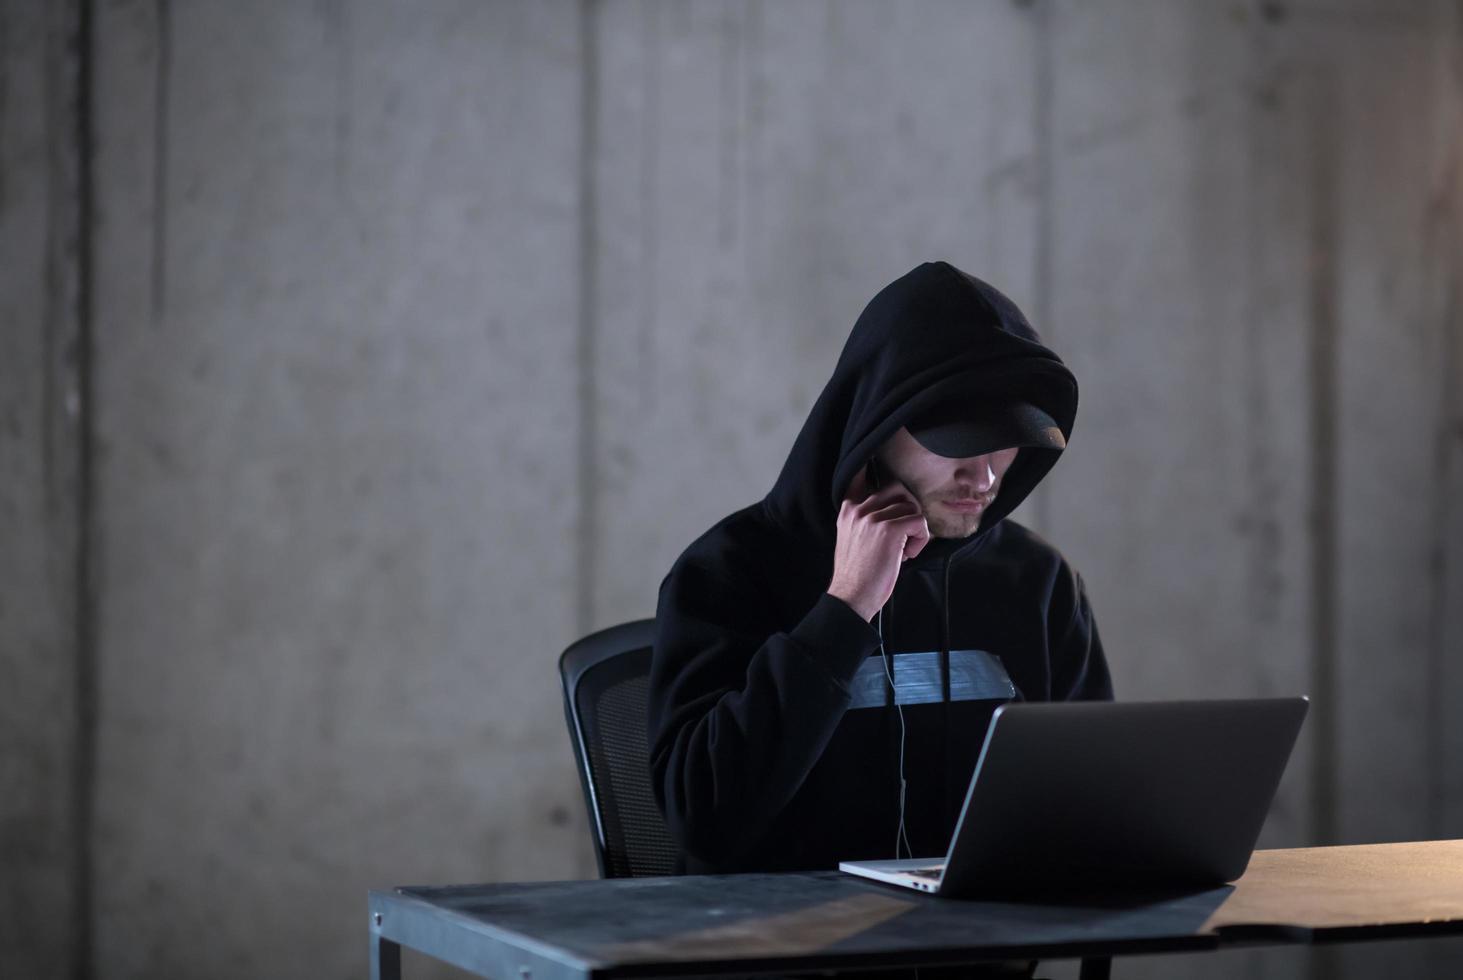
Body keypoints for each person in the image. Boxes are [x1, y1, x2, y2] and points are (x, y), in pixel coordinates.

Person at [647, 260, 1114, 882]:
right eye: (957, 443)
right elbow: (705, 820)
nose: (985, 478)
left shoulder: (1035, 581)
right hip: (775, 952)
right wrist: (845, 607)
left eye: (1007, 441)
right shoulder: (730, 571)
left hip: (976, 950)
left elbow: (1101, 806)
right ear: (873, 426)